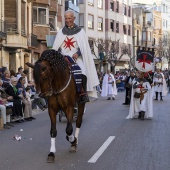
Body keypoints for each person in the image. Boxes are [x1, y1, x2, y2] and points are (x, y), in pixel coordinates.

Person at [52, 10, 99, 103]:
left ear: (74, 18)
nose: (67, 20)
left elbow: (84, 47)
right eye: (66, 18)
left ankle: (83, 93)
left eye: (69, 18)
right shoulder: (61, 32)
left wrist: (77, 53)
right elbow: (56, 47)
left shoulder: (80, 32)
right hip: (63, 58)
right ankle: (52, 92)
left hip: (76, 58)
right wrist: (60, 54)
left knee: (83, 72)